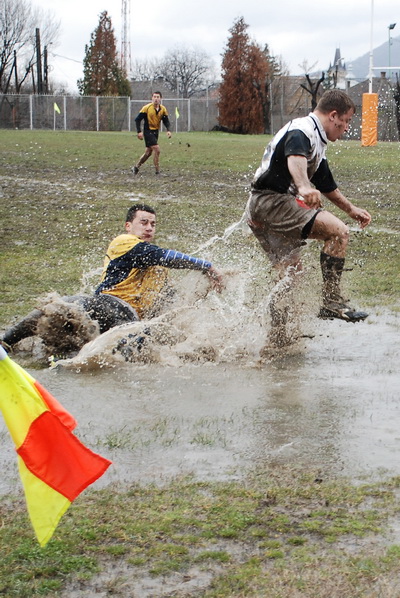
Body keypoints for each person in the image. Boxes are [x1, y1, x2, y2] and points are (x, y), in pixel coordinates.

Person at [1, 204, 223, 351]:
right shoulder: (123, 242)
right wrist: (206, 266)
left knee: (131, 341)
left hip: (129, 318)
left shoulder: (160, 269)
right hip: (105, 304)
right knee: (58, 306)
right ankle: (6, 341)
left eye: (153, 224)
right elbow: (161, 255)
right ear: (129, 226)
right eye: (143, 222)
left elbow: (166, 299)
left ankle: (84, 362)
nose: (149, 228)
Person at [245, 89, 371, 323]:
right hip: (272, 202)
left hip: (260, 208)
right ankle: (332, 302)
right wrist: (303, 186)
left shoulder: (314, 137)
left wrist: (351, 209)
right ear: (333, 115)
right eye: (345, 122)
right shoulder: (302, 130)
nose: (345, 129)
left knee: (290, 276)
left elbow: (325, 183)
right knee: (338, 233)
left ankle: (278, 339)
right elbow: (295, 158)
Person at [133, 91, 172, 176]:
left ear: (161, 99)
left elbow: (166, 120)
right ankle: (157, 171)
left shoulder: (163, 109)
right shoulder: (146, 108)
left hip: (155, 132)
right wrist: (139, 131)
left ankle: (136, 166)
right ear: (152, 98)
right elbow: (137, 119)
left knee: (148, 153)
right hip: (148, 131)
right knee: (157, 149)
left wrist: (168, 130)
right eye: (154, 97)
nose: (156, 99)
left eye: (158, 97)